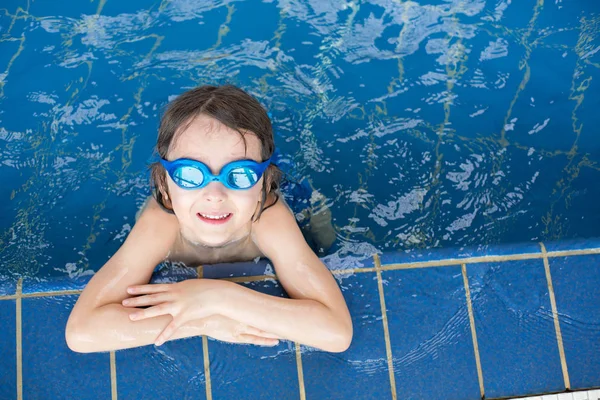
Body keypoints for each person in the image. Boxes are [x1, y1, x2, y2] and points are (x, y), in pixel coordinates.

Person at [65, 85, 352, 353]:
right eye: (190, 174)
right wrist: (203, 322)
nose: (215, 194)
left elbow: (337, 332)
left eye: (239, 174)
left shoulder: (268, 220)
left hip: (287, 195)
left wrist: (217, 297)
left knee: (324, 236)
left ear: (264, 185)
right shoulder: (161, 225)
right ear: (164, 185)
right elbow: (81, 332)